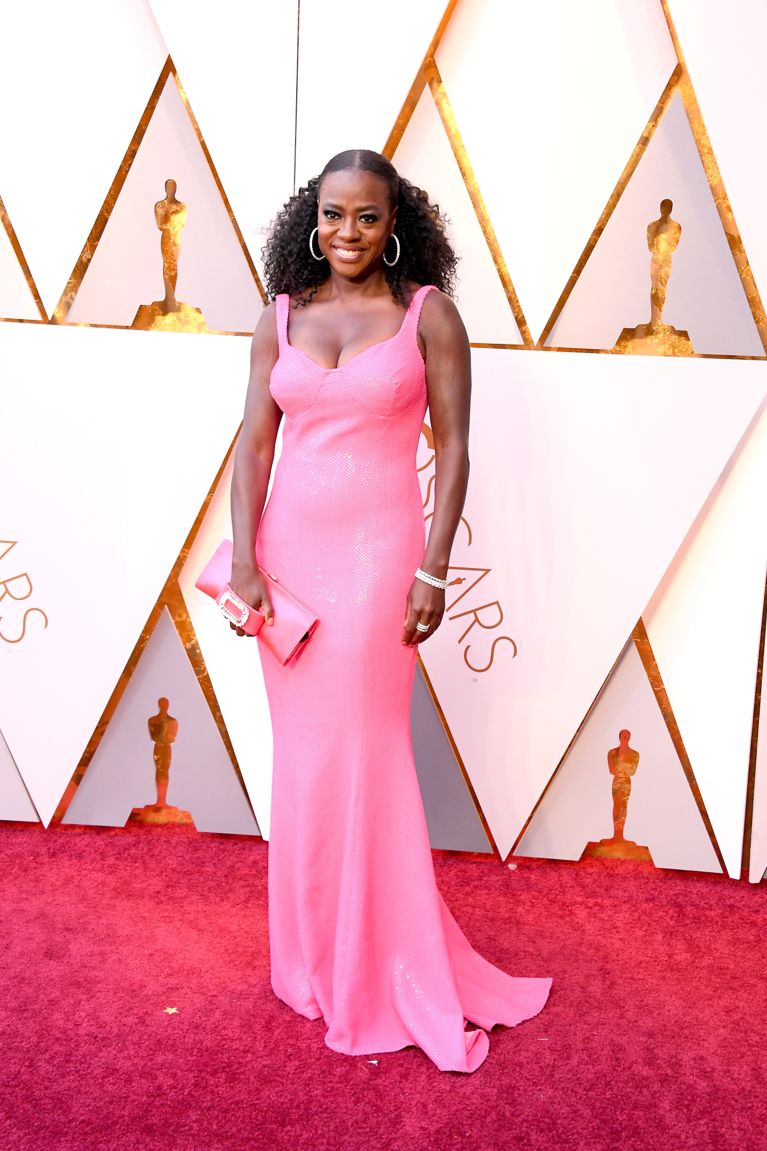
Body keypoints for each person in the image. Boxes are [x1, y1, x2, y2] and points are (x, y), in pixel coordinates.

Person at [229, 149, 551, 1073]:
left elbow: (453, 450)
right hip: (286, 563)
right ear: (310, 218)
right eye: (331, 215)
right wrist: (245, 557)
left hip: (378, 566)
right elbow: (253, 446)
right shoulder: (279, 318)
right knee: (303, 758)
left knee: (366, 753)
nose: (346, 233)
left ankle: (381, 958)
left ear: (395, 220)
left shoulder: (428, 318)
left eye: (366, 217)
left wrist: (434, 571)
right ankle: (309, 956)